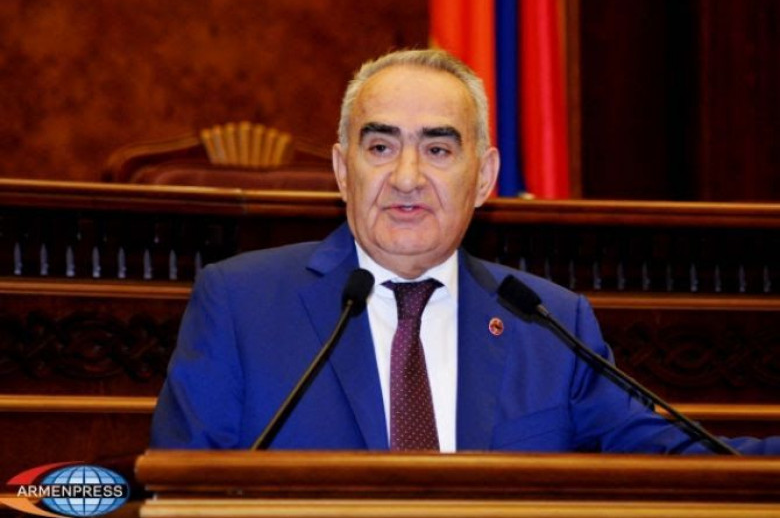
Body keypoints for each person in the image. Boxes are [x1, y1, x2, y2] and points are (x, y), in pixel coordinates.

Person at [150, 49, 776, 454]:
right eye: (380, 148)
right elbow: (179, 488)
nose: (407, 178)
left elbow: (677, 459)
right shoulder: (241, 305)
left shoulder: (550, 323)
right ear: (342, 171)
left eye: (439, 150)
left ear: (484, 178)